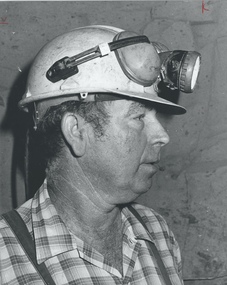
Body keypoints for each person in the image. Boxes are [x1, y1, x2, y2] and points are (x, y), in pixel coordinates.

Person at [0, 25, 201, 285]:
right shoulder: (7, 257)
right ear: (77, 132)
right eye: (139, 116)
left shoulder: (157, 234)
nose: (162, 135)